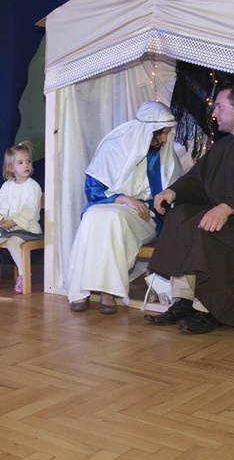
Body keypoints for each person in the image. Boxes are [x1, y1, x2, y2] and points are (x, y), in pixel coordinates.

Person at [144, 83, 234, 334]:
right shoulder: (223, 145)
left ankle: (207, 310)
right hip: (220, 217)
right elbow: (198, 179)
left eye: (220, 107)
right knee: (178, 216)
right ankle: (183, 301)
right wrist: (173, 191)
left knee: (205, 230)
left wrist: (227, 208)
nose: (214, 114)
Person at [65, 101, 180, 314]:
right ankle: (84, 290)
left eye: (166, 133)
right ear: (148, 130)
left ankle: (107, 292)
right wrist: (123, 198)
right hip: (113, 204)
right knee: (92, 215)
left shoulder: (164, 154)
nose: (165, 139)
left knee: (114, 218)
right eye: (162, 133)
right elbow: (93, 189)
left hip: (146, 215)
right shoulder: (113, 146)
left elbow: (171, 195)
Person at [0, 141, 42, 294]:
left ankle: (23, 275)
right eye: (20, 162)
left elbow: (30, 210)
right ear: (11, 167)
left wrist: (12, 222)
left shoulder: (33, 186)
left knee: (13, 244)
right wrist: (1, 220)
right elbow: (1, 208)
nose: (26, 165)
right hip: (9, 229)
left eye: (28, 161)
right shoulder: (7, 186)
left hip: (28, 229)